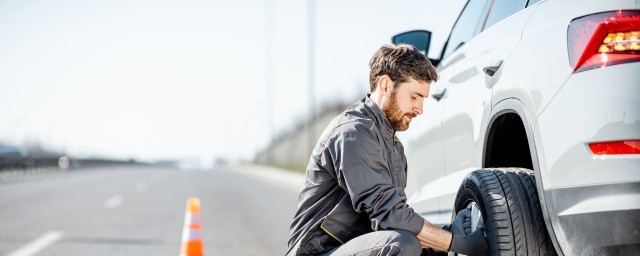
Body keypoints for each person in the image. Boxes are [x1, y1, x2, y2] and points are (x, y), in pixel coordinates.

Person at [286, 44, 488, 256]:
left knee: (426, 248)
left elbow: (396, 222)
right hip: (316, 251)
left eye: (423, 99)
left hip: (351, 247)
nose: (420, 109)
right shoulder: (353, 133)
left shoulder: (393, 147)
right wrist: (459, 242)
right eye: (414, 97)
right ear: (385, 85)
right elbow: (391, 216)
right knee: (402, 245)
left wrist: (448, 235)